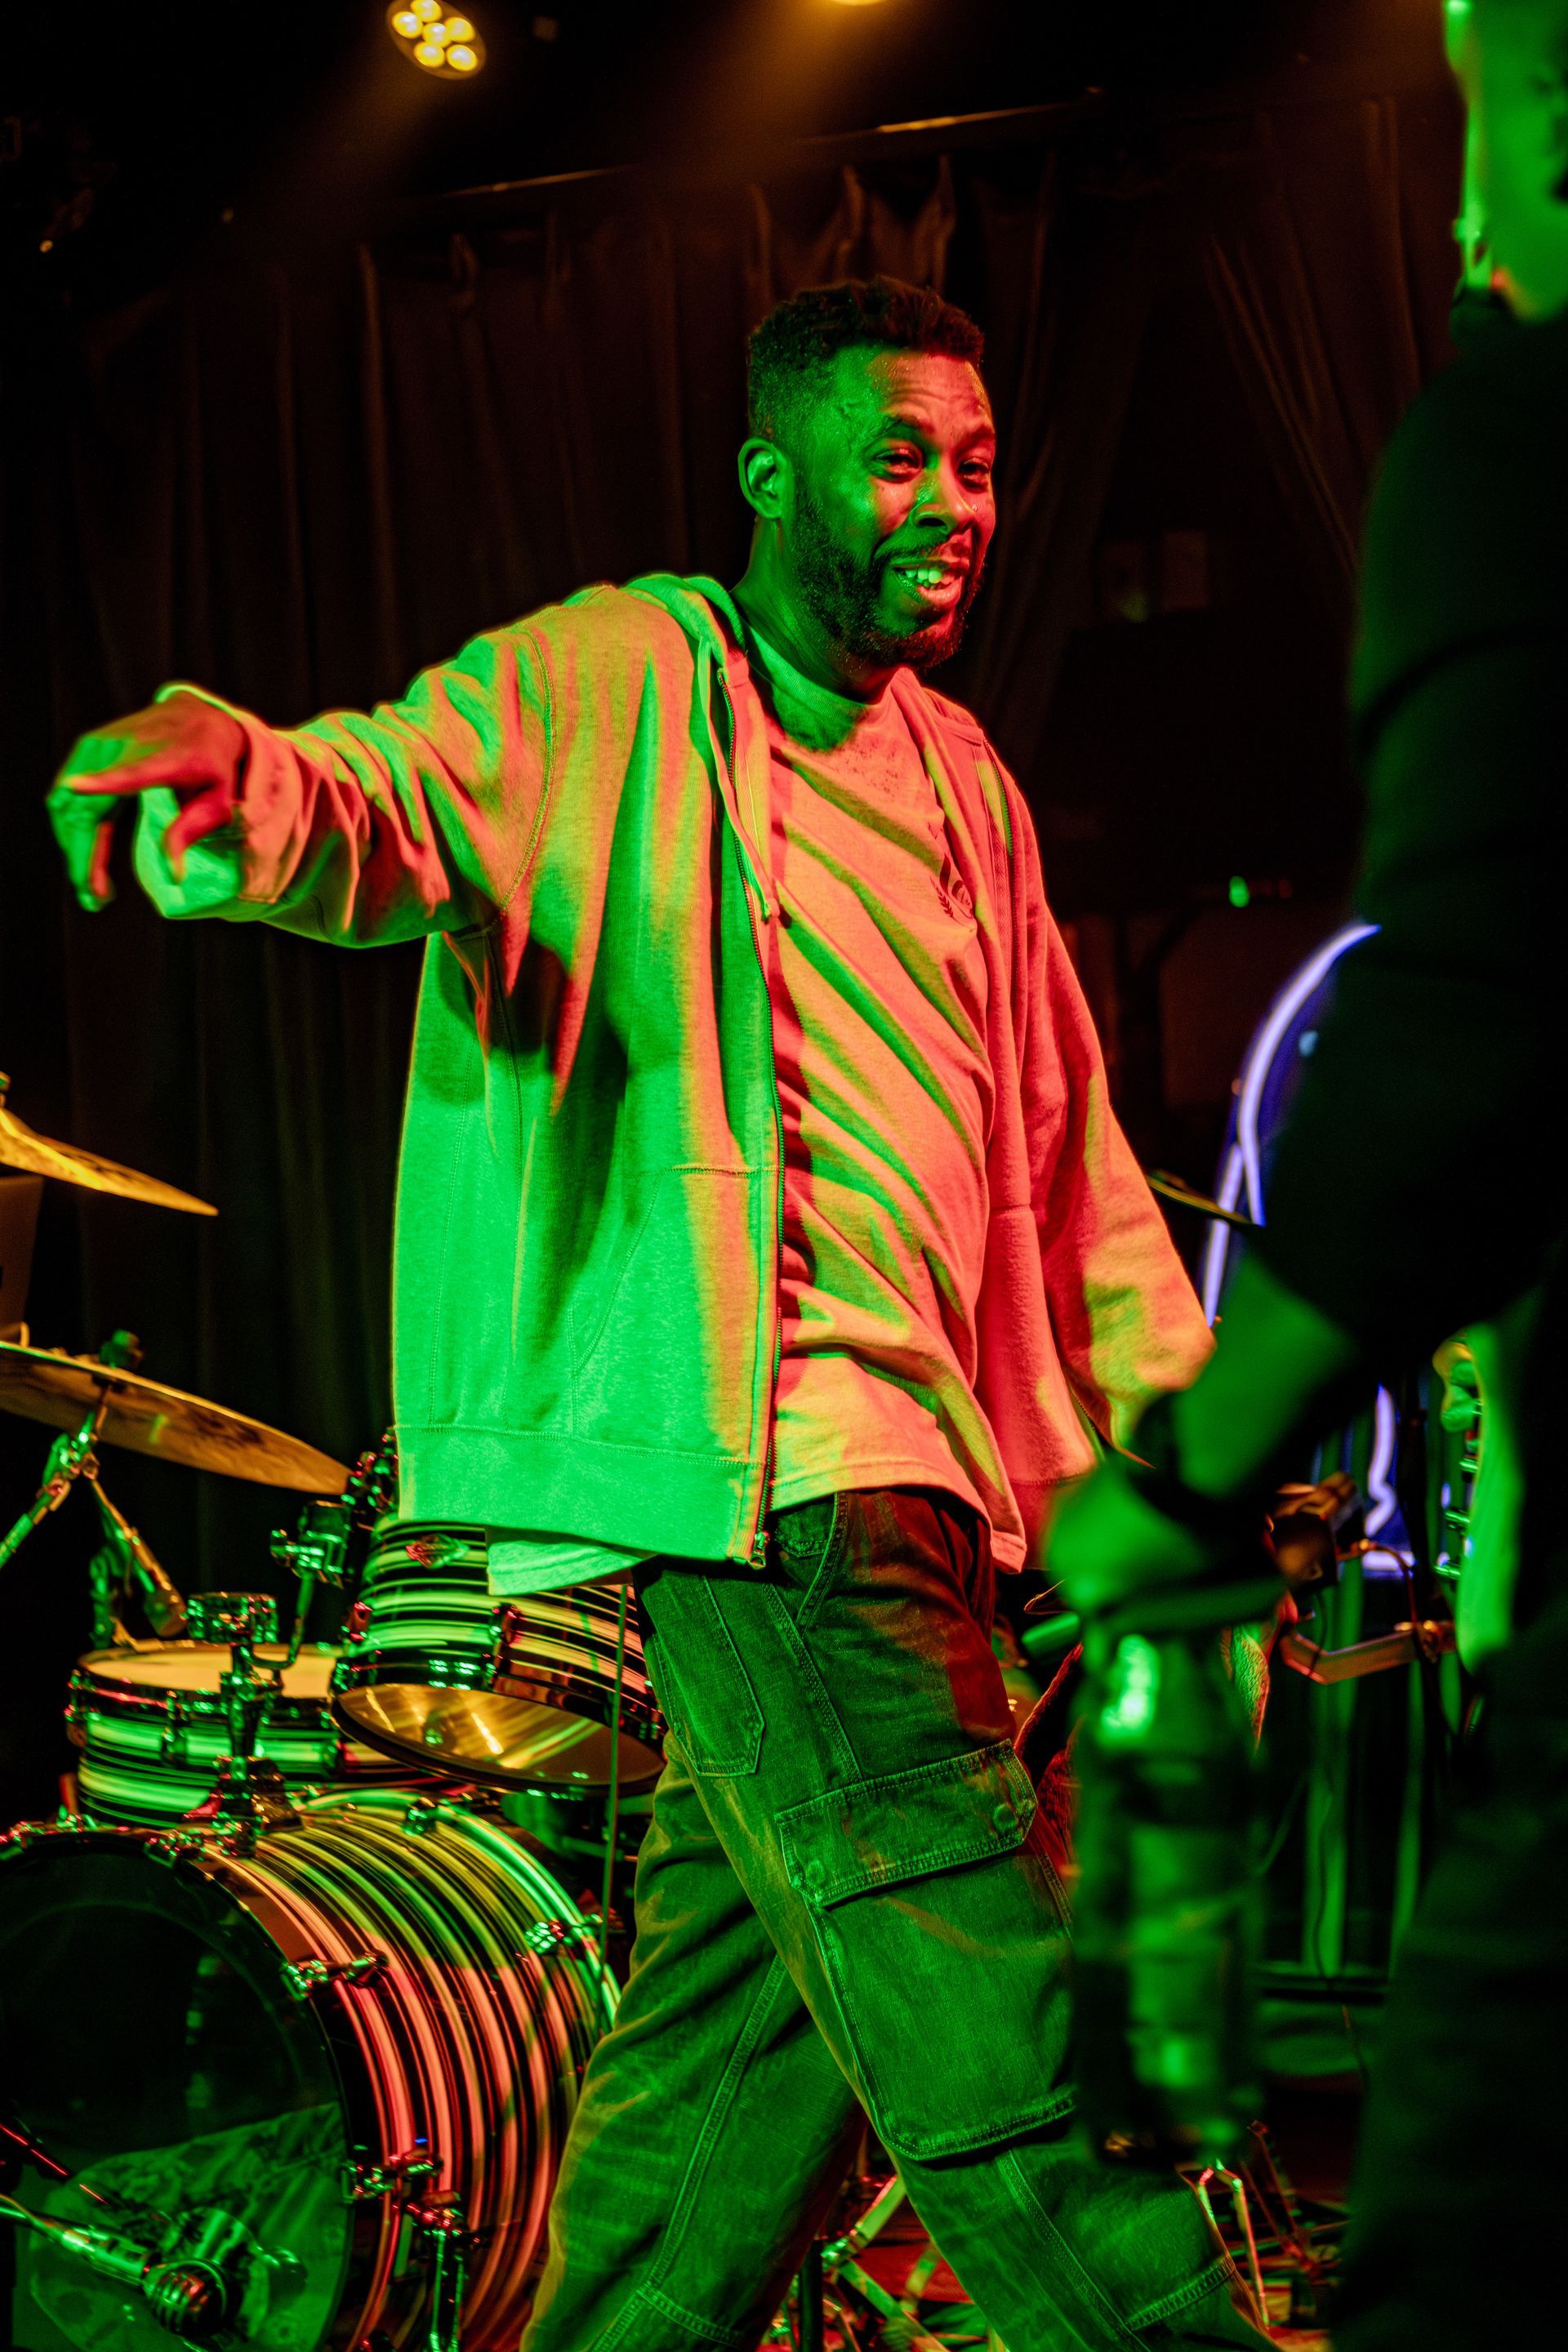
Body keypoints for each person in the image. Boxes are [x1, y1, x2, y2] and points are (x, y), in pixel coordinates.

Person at [48, 276, 1267, 2350]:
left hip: (931, 1493)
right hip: (770, 1483)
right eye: (902, 457)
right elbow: (382, 798)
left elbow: (1057, 1140)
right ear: (772, 475)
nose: (956, 503)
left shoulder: (969, 784)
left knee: (722, 2108)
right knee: (1010, 2056)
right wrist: (236, 782)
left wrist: (1179, 1427)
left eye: (976, 465)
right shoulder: (625, 675)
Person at [1048, 4, 1568, 2343]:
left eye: (1500, 113)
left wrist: (1191, 1475)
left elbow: (1473, 1018)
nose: (1464, 215)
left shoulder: (1531, 431)